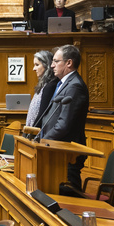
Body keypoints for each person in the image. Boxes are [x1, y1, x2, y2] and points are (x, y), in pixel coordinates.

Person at [38, 45, 90, 190]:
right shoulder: (63, 83)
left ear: (69, 63)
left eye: (56, 61)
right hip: (57, 150)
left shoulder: (74, 86)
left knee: (69, 193)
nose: (52, 65)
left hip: (66, 152)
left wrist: (43, 142)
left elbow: (63, 125)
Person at [26, 50, 56, 129]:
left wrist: (31, 132)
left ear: (47, 65)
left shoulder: (50, 86)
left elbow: (42, 114)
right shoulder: (44, 84)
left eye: (37, 65)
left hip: (37, 132)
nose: (34, 68)